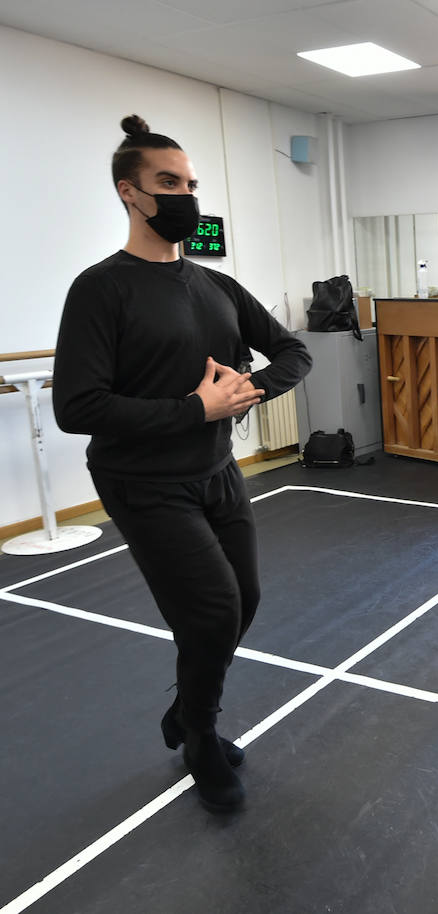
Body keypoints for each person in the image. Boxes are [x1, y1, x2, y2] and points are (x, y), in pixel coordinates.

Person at [52, 115, 312, 812]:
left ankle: (184, 711)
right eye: (168, 183)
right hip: (142, 481)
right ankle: (199, 735)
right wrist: (197, 409)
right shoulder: (100, 289)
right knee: (212, 608)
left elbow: (293, 350)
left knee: (241, 602)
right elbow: (77, 407)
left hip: (216, 471)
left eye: (191, 183)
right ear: (129, 193)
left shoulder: (216, 286)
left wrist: (246, 391)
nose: (185, 196)